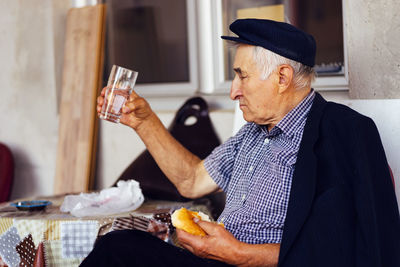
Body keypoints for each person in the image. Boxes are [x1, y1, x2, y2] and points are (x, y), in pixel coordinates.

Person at [81, 19, 400, 267]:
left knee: (117, 251)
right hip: (214, 260)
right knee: (119, 243)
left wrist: (240, 254)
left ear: (282, 77)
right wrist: (144, 121)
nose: (233, 91)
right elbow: (191, 181)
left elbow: (343, 248)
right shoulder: (252, 133)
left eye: (242, 76)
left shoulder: (341, 133)